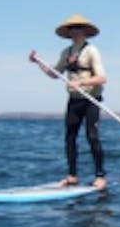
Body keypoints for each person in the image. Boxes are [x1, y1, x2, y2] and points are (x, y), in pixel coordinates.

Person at [29, 14, 107, 190]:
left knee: (92, 137)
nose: (74, 31)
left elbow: (102, 78)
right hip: (74, 100)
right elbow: (54, 74)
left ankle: (100, 176)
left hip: (91, 100)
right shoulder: (66, 53)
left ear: (85, 31)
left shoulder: (91, 51)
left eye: (78, 28)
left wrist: (81, 82)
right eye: (72, 28)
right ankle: (72, 176)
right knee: (70, 138)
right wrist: (38, 62)